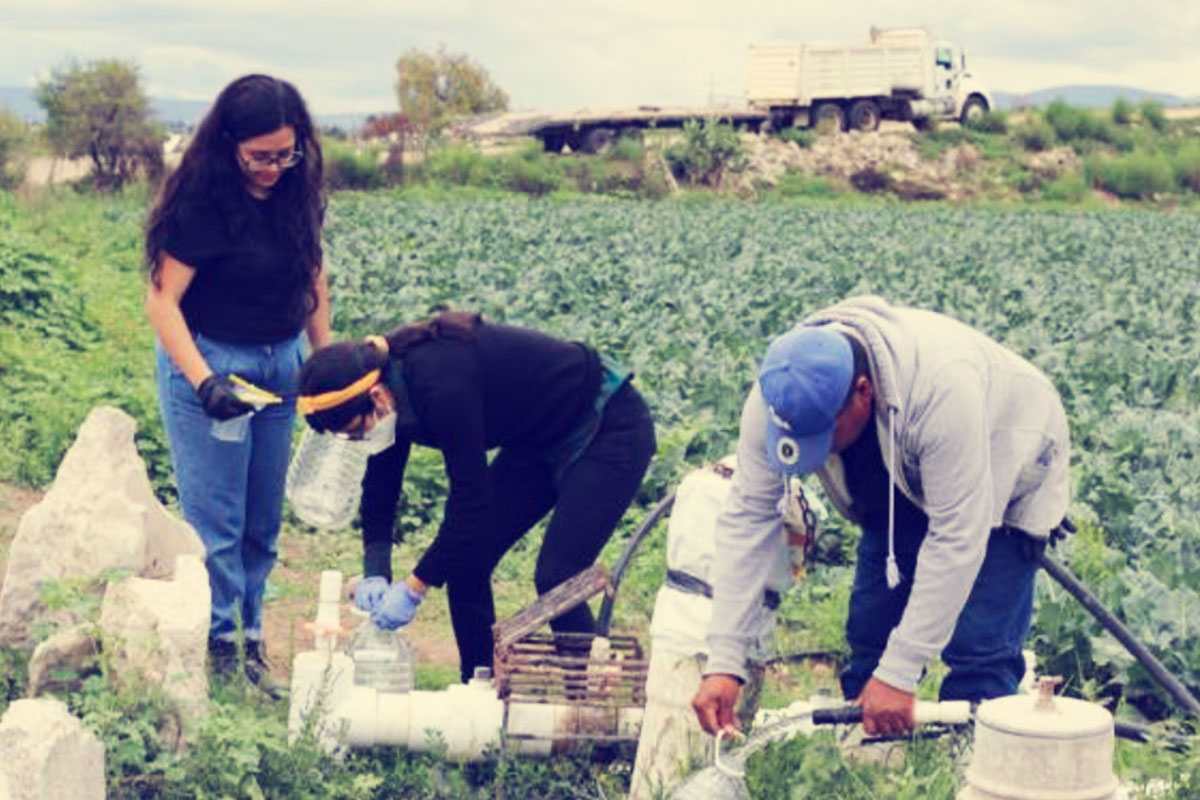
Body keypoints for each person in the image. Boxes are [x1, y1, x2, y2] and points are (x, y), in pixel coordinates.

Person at [692, 295, 1070, 738]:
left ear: (863, 392)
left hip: (1009, 448)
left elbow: (957, 536)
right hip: (899, 471)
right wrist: (724, 660)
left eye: (823, 436)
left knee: (979, 645)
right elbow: (750, 516)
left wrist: (901, 672)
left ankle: (972, 756)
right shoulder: (780, 394)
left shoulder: (942, 392)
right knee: (872, 628)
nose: (819, 450)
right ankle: (870, 752)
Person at [296, 311, 656, 683]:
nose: (359, 440)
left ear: (375, 396)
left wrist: (415, 586)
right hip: (537, 437)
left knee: (557, 574)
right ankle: (481, 687)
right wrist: (376, 570)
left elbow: (471, 502)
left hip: (607, 425)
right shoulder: (387, 396)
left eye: (356, 430)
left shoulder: (441, 386)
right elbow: (381, 487)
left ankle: (592, 693)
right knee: (467, 562)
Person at [144, 74, 331, 692]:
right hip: (214, 365)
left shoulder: (296, 191)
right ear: (229, 145)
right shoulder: (202, 202)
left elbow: (314, 276)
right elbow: (163, 303)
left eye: (286, 153)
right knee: (216, 525)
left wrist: (326, 360)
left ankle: (252, 643)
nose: (274, 167)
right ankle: (219, 652)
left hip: (280, 365)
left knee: (260, 522)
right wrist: (202, 383)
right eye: (260, 156)